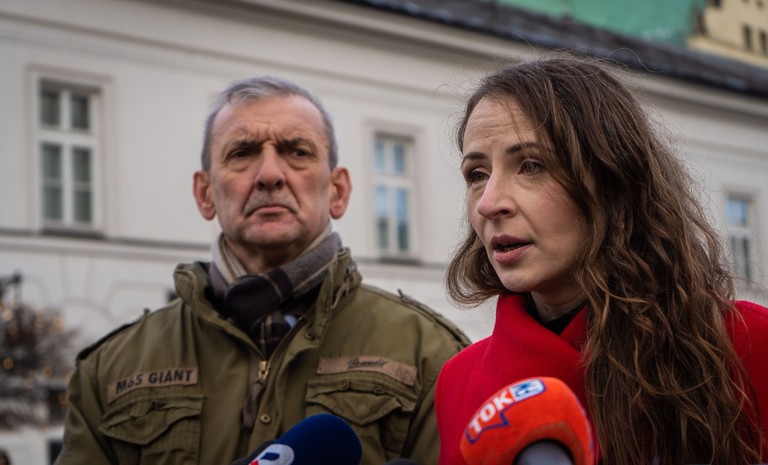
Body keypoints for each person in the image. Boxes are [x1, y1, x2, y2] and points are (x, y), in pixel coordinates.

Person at [55, 76, 470, 465]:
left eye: (297, 151)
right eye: (242, 153)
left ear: (338, 191)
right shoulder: (110, 371)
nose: (269, 174)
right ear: (205, 193)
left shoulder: (431, 356)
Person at [434, 56, 768, 465]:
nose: (489, 204)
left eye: (531, 166)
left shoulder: (746, 346)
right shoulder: (458, 381)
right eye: (477, 174)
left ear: (612, 180)